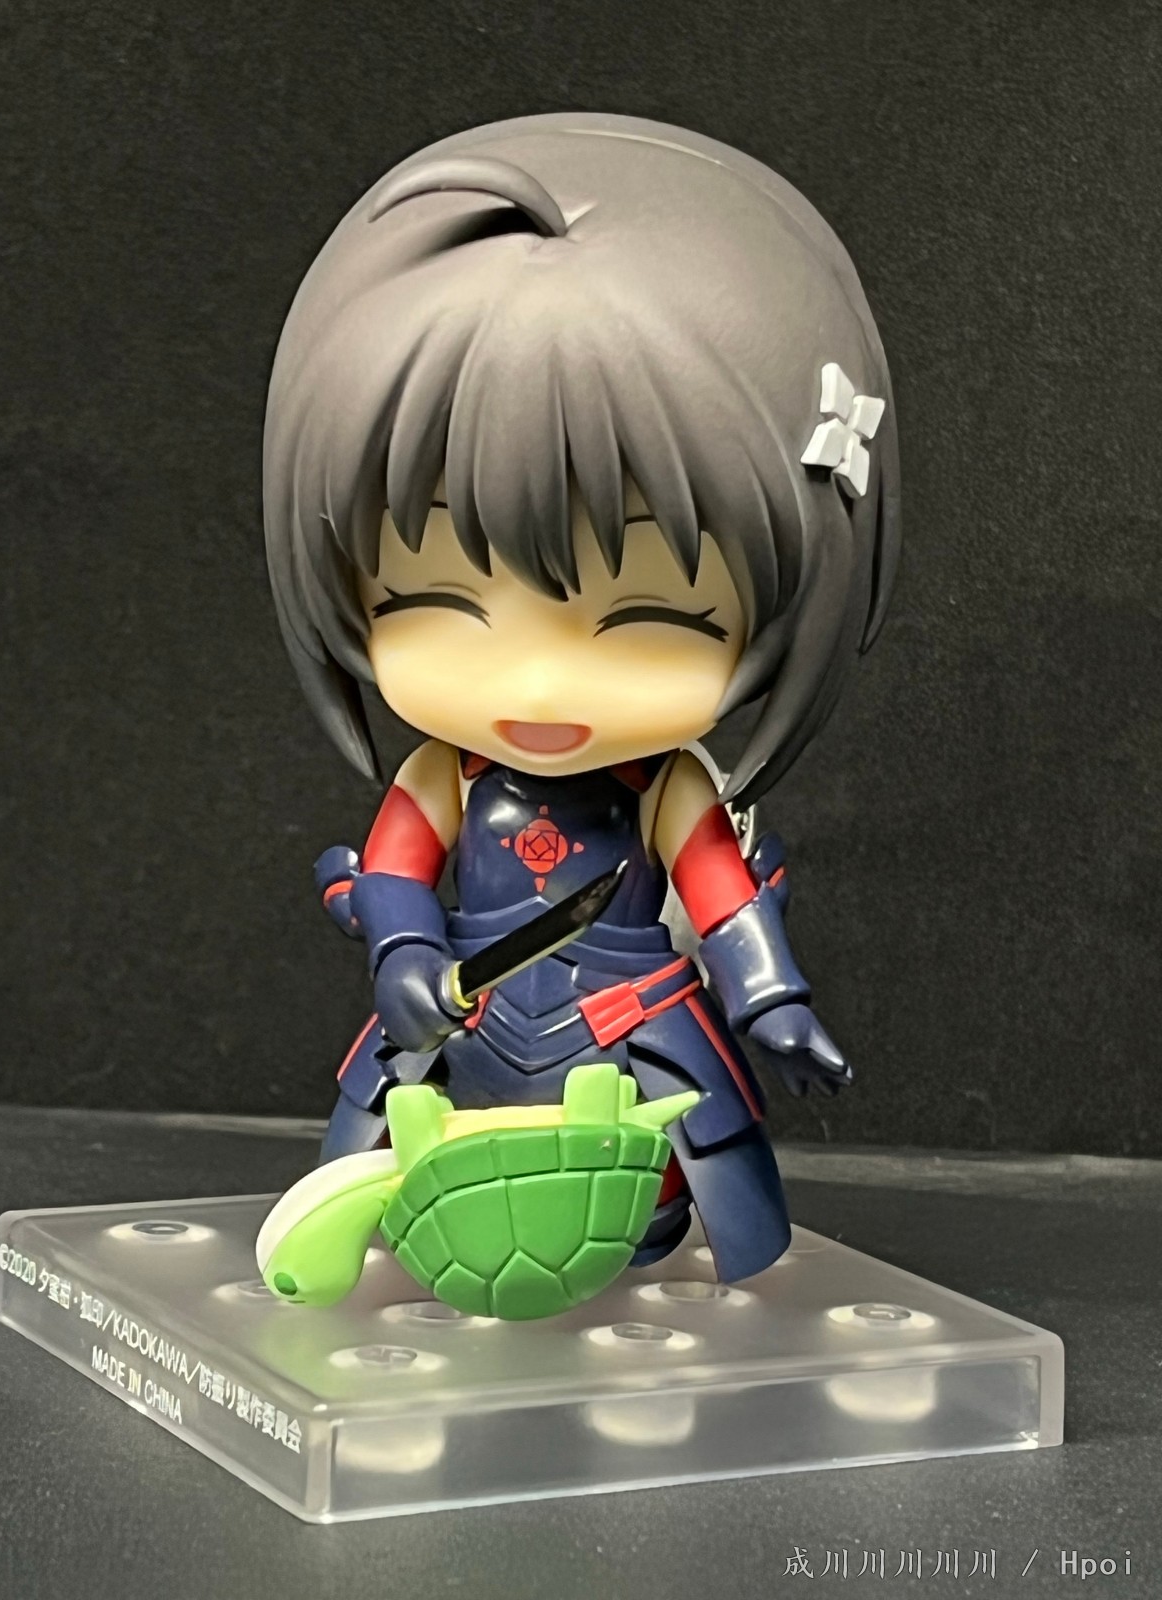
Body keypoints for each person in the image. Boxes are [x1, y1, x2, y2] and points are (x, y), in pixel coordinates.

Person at [262, 113, 900, 1287]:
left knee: (707, 1126)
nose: (540, 681)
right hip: (464, 999)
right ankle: (343, 1244)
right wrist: (403, 947)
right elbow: (396, 870)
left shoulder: (663, 785)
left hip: (628, 1007)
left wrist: (770, 997)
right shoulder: (445, 773)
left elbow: (719, 889)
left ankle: (728, 1256)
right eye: (440, 601)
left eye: (647, 616)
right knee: (376, 1107)